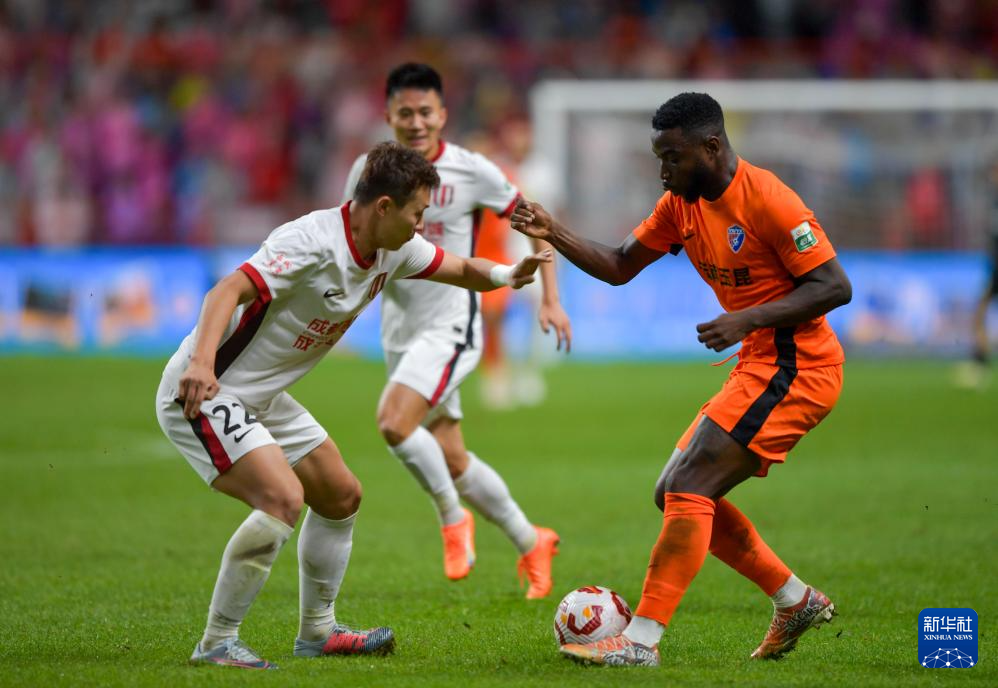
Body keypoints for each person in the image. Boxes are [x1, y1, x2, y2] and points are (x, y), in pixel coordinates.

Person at [155, 141, 551, 670]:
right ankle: (217, 642)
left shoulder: (394, 248)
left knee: (340, 495)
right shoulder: (310, 242)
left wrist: (507, 275)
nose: (422, 225)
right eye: (417, 213)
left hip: (261, 396)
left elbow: (460, 269)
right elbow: (226, 290)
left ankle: (318, 632)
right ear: (384, 207)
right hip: (207, 388)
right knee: (282, 498)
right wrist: (201, 365)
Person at [511, 92, 852, 667]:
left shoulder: (770, 201)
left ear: (711, 147)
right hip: (760, 363)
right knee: (673, 491)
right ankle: (795, 600)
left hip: (800, 367)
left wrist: (747, 318)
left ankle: (641, 641)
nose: (664, 172)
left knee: (690, 484)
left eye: (673, 157)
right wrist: (554, 231)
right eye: (659, 159)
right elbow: (620, 264)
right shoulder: (680, 206)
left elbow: (834, 287)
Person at [342, 64, 571, 598]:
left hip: (452, 322)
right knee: (451, 455)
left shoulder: (472, 170)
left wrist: (551, 299)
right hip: (399, 326)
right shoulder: (368, 170)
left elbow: (534, 221)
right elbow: (354, 236)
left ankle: (452, 517)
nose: (416, 122)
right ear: (388, 116)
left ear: (442, 115)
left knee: (395, 423)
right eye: (405, 112)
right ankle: (531, 539)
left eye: (425, 112)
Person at [957, 158, 998, 388]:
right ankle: (980, 363)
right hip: (994, 269)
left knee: (980, 314)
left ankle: (980, 364)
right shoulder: (993, 199)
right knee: (979, 315)